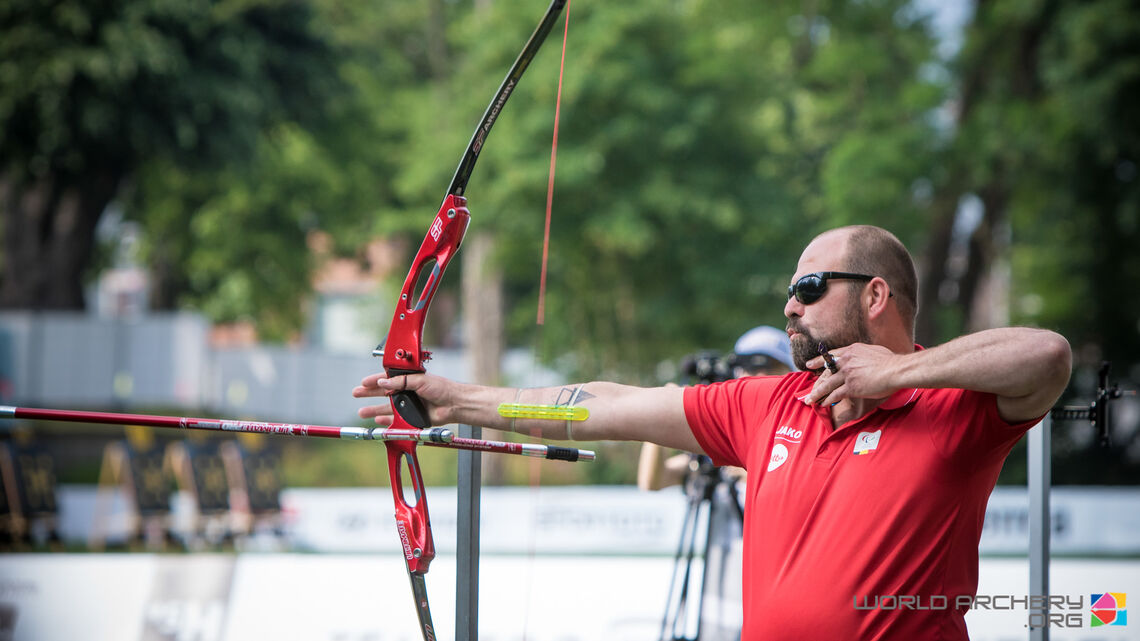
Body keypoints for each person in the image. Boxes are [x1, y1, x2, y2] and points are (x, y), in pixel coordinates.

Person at [355, 225, 1072, 641]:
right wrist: (458, 399)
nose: (790, 306)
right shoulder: (769, 404)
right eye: (790, 291)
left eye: (810, 288)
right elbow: (602, 405)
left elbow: (1047, 355)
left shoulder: (952, 408)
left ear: (876, 294)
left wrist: (895, 377)